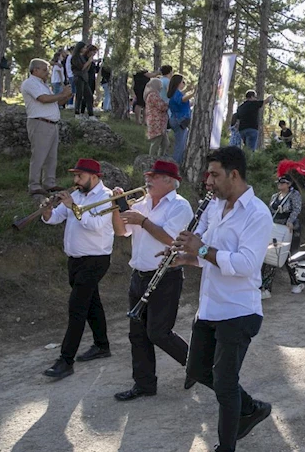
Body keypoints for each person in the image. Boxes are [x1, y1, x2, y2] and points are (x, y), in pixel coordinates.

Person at [171, 146, 273, 452]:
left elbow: (244, 265)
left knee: (225, 384)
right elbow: (209, 256)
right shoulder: (214, 208)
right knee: (197, 371)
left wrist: (199, 249)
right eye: (208, 175)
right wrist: (185, 257)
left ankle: (225, 448)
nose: (208, 182)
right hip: (211, 306)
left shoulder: (257, 213)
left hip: (239, 310)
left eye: (214, 175)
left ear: (235, 175)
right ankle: (250, 408)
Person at [113, 160, 194, 402]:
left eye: (154, 176)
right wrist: (117, 208)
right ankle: (144, 384)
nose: (147, 180)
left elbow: (172, 240)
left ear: (169, 181)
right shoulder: (141, 204)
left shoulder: (181, 206)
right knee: (137, 334)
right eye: (148, 175)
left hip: (165, 276)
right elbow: (120, 232)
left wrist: (143, 221)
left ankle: (196, 366)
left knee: (158, 332)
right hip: (138, 274)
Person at [41, 159, 124, 380]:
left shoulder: (106, 197)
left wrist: (72, 207)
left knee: (77, 308)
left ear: (95, 177)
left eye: (80, 176)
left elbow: (95, 225)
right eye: (75, 176)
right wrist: (48, 212)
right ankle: (102, 345)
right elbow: (56, 218)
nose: (75, 180)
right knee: (91, 303)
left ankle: (65, 361)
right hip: (76, 260)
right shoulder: (77, 195)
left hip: (95, 260)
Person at [21, 58, 72, 196]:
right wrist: (61, 94)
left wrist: (66, 96)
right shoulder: (30, 83)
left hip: (51, 123)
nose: (47, 73)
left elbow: (54, 101)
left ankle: (49, 183)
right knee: (39, 155)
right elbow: (43, 99)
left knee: (51, 156)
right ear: (35, 70)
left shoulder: (43, 85)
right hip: (39, 123)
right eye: (44, 70)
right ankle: (34, 185)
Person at [262, 175, 304, 296]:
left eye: (283, 182)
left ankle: (296, 282)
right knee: (272, 256)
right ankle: (266, 287)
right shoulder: (275, 197)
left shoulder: (294, 195)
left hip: (290, 229)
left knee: (290, 256)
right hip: (276, 229)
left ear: (289, 184)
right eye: (279, 182)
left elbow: (296, 209)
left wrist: (290, 221)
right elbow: (270, 211)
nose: (280, 184)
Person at [167, 74, 194, 165]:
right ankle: (175, 164)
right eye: (183, 82)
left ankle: (177, 162)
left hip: (177, 120)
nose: (184, 83)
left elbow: (185, 103)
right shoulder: (177, 94)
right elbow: (182, 100)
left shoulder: (175, 93)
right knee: (180, 145)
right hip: (180, 120)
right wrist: (193, 93)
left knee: (182, 143)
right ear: (178, 83)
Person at [71, 42, 98, 119]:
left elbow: (86, 69)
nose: (85, 49)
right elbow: (81, 68)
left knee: (89, 96)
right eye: (84, 48)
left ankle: (91, 114)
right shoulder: (75, 57)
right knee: (79, 95)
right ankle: (77, 113)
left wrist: (89, 62)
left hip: (84, 78)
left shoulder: (82, 57)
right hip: (78, 77)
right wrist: (89, 61)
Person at [144, 79, 169, 157]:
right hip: (156, 122)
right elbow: (161, 106)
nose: (161, 87)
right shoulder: (152, 95)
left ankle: (160, 157)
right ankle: (151, 159)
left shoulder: (154, 94)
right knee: (156, 141)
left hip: (160, 123)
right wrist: (168, 104)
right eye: (160, 85)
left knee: (165, 143)